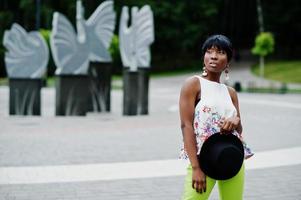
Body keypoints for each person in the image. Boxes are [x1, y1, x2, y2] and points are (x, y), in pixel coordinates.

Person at [179, 34, 253, 200]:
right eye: (209, 51)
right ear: (204, 56)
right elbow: (186, 125)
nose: (213, 56)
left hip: (231, 156)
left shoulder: (231, 92)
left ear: (228, 61)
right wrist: (196, 168)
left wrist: (236, 121)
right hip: (203, 158)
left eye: (220, 52)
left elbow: (239, 130)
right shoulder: (193, 84)